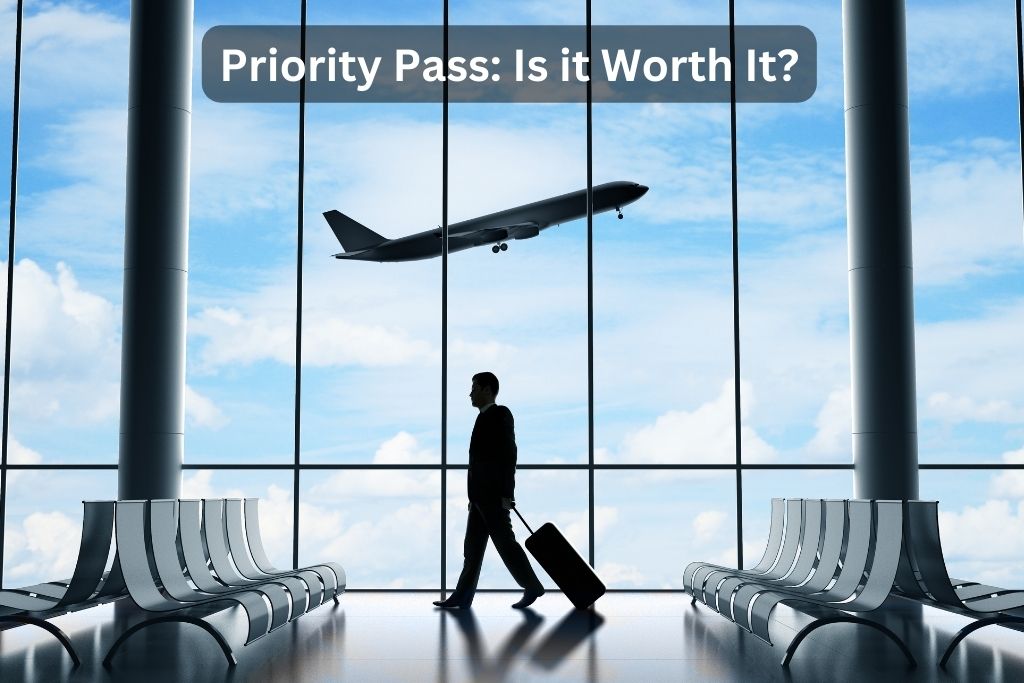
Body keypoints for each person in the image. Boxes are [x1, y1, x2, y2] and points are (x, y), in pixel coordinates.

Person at [433, 372, 545, 610]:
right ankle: (462, 597)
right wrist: (472, 497)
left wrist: (507, 494)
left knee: (505, 545)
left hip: (493, 497)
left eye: (474, 388)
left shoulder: (500, 414)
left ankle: (532, 586)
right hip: (479, 498)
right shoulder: (482, 418)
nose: (470, 393)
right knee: (472, 550)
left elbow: (509, 455)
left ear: (487, 389)